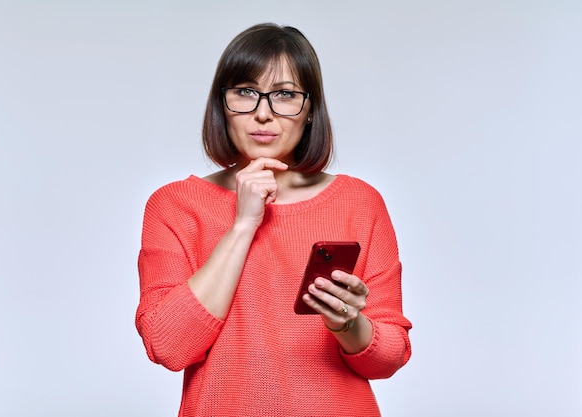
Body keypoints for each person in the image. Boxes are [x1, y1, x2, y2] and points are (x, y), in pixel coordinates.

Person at [135, 23, 412, 416]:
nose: (263, 113)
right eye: (246, 92)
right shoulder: (175, 205)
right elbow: (168, 346)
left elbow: (389, 358)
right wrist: (243, 224)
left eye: (284, 95)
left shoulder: (359, 202)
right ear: (222, 104)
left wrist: (347, 324)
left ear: (310, 108)